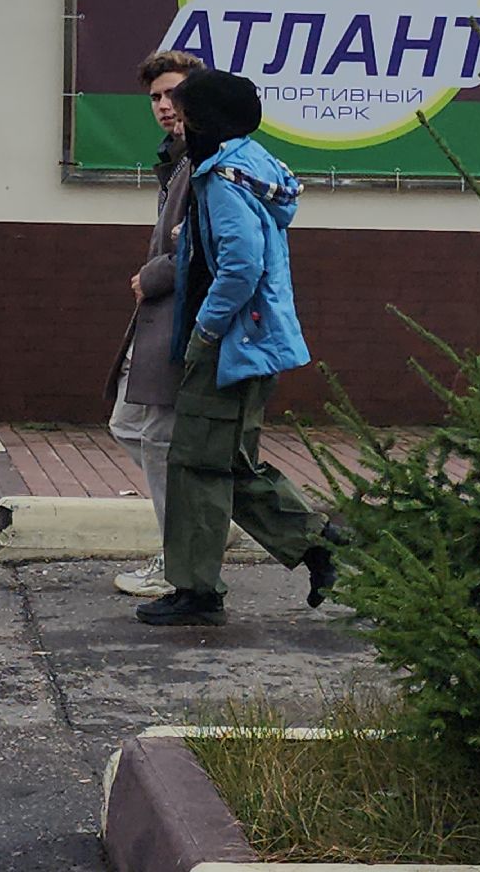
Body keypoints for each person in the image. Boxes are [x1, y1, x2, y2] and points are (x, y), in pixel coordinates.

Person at [135, 69, 336, 627]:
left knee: (196, 464)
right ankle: (319, 544)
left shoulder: (222, 180)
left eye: (186, 114)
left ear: (209, 121)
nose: (178, 123)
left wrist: (205, 330)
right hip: (252, 342)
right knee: (229, 463)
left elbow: (241, 265)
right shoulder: (250, 165)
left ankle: (198, 592)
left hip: (230, 343)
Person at [105, 49, 206, 597]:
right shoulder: (176, 159)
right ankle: (198, 524)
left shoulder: (207, 158)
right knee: (128, 424)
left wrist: (154, 275)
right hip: (158, 322)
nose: (165, 106)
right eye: (156, 97)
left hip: (186, 323)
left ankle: (182, 557)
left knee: (163, 443)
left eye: (174, 94)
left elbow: (205, 245)